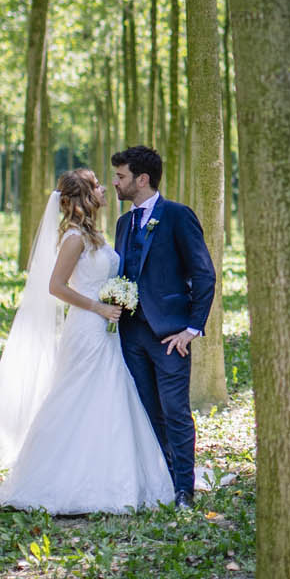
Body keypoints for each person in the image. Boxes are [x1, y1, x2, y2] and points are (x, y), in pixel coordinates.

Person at [0, 168, 174, 514]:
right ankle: (58, 480)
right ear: (85, 198)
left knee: (109, 396)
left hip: (105, 326)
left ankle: (111, 475)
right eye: (97, 185)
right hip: (88, 327)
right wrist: (99, 307)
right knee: (79, 395)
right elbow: (56, 286)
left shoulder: (94, 234)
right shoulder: (74, 237)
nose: (106, 188)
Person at [109, 144, 218, 506]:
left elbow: (204, 274)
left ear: (142, 179)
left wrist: (191, 328)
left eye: (121, 176)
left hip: (170, 335)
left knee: (175, 412)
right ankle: (161, 482)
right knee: (146, 411)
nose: (115, 183)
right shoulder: (123, 223)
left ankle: (184, 489)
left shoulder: (177, 215)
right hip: (131, 333)